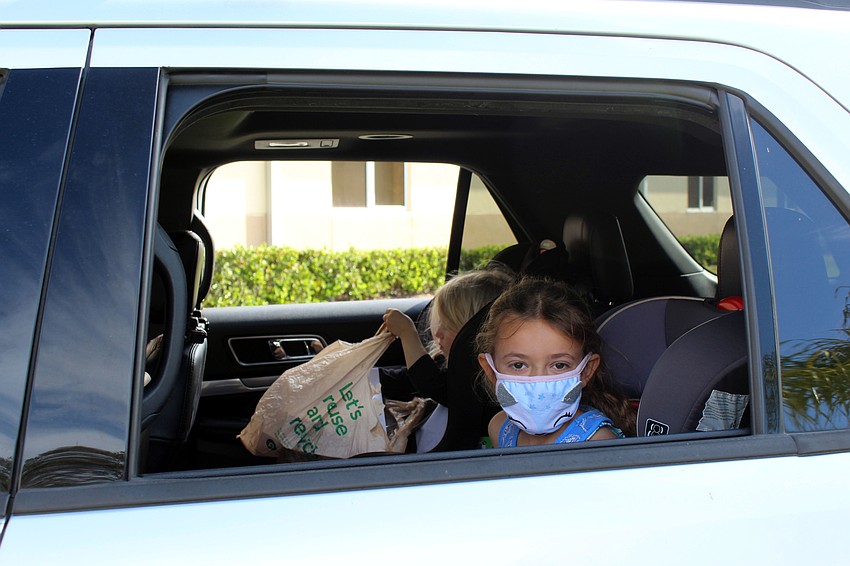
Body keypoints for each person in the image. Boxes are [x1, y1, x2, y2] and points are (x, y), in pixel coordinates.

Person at [476, 276, 635, 447]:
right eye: (518, 365)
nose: (539, 381)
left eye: (559, 365)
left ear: (586, 370)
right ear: (491, 370)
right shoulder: (499, 428)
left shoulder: (598, 443)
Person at [379, 267, 514, 406]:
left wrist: (407, 333)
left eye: (448, 325)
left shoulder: (482, 380)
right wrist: (370, 376)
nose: (437, 334)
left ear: (474, 332)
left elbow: (434, 386)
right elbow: (407, 381)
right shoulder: (448, 362)